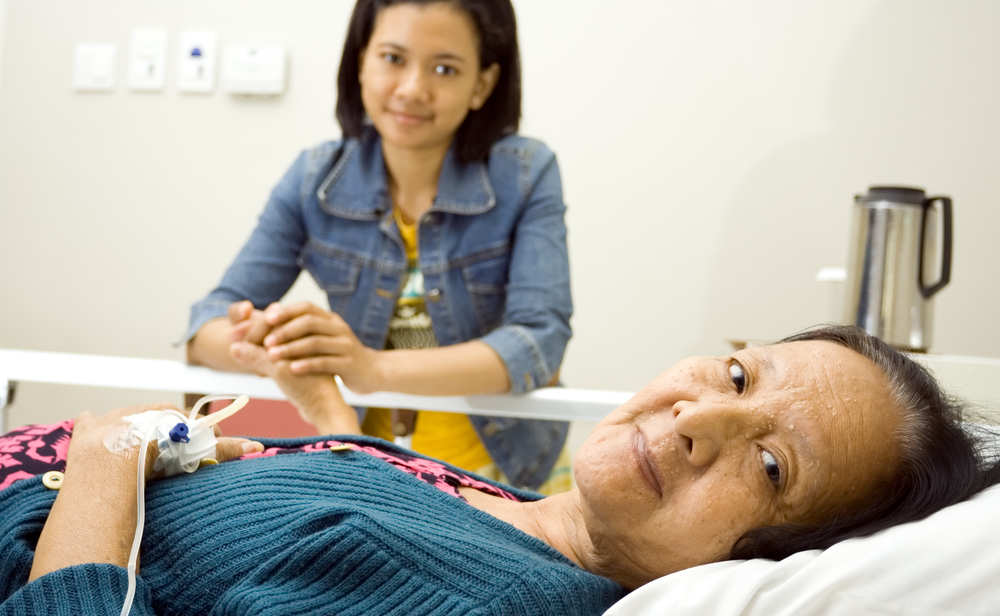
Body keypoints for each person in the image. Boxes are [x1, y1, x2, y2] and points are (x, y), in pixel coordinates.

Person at [3, 326, 999, 615]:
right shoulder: (521, 514)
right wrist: (328, 428)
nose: (707, 415)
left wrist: (108, 462)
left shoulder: (490, 600)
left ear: (776, 553)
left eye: (773, 464)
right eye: (736, 372)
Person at [182, 0, 573, 494]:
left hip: (509, 472)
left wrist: (369, 367)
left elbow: (539, 341)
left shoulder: (527, 173)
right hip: (375, 471)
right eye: (393, 57)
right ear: (360, 60)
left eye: (444, 68)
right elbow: (204, 327)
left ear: (482, 84)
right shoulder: (315, 175)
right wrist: (272, 341)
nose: (412, 88)